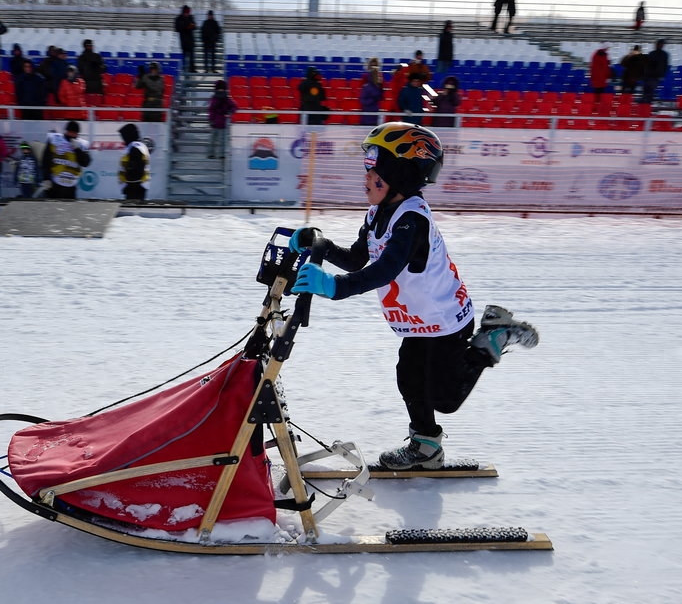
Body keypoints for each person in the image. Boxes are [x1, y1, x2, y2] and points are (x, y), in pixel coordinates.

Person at [288, 122, 539, 470]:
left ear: (400, 173)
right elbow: (360, 258)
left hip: (444, 319)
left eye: (373, 168)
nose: (365, 176)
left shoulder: (412, 220)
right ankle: (426, 447)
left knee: (445, 398)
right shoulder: (378, 212)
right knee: (408, 376)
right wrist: (323, 246)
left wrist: (335, 286)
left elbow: (385, 269)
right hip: (417, 321)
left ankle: (491, 338)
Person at [40, 120, 91, 199]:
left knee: (68, 209)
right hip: (55, 183)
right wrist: (46, 178)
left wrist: (77, 149)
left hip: (71, 185)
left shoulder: (81, 144)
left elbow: (86, 163)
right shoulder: (54, 139)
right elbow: (46, 160)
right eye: (71, 132)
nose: (73, 135)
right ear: (66, 131)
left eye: (75, 133)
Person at [118, 123, 151, 201]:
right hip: (137, 185)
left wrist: (129, 185)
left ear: (128, 135)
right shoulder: (137, 146)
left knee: (133, 208)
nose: (123, 139)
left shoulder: (135, 148)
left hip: (134, 186)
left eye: (124, 136)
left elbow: (136, 169)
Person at [207, 79, 237, 159]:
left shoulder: (221, 98)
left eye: (221, 89)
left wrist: (229, 113)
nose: (220, 90)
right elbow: (211, 110)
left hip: (219, 121)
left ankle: (217, 154)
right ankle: (216, 154)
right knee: (215, 140)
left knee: (218, 140)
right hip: (218, 121)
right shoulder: (223, 98)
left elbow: (234, 106)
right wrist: (229, 113)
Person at [76, 39, 107, 107]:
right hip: (86, 83)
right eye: (88, 45)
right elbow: (80, 70)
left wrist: (98, 67)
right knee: (88, 104)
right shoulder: (81, 58)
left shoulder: (97, 56)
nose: (90, 47)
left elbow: (103, 69)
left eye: (91, 45)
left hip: (97, 83)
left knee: (97, 104)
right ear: (84, 46)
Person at [641, 39, 670, 105]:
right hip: (650, 76)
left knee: (648, 92)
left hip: (654, 76)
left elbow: (665, 66)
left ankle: (645, 105)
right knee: (648, 91)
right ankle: (645, 105)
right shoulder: (656, 54)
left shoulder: (662, 54)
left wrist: (662, 74)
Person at [358, 60, 383, 126]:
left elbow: (381, 98)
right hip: (367, 113)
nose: (379, 77)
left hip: (375, 112)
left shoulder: (378, 87)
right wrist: (373, 100)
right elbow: (363, 100)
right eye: (378, 76)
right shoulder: (366, 87)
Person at [175, 5, 197, 73]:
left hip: (190, 41)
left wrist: (187, 27)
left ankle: (192, 69)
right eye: (186, 13)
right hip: (184, 41)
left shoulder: (191, 17)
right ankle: (183, 69)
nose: (187, 14)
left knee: (192, 57)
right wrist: (187, 27)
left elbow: (194, 26)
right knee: (184, 57)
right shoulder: (179, 19)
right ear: (183, 12)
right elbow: (178, 28)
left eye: (188, 13)